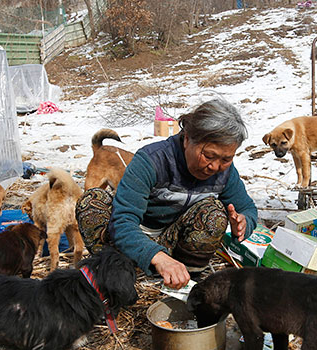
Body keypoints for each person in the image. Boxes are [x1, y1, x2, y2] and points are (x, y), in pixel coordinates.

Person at [76, 98, 258, 289]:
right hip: (133, 236)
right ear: (187, 139)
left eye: (226, 158)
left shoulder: (225, 172)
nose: (214, 166)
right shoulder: (152, 161)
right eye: (208, 156)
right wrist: (156, 256)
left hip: (172, 239)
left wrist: (245, 221)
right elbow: (122, 222)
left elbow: (246, 208)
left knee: (213, 213)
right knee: (91, 201)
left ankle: (185, 282)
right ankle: (115, 278)